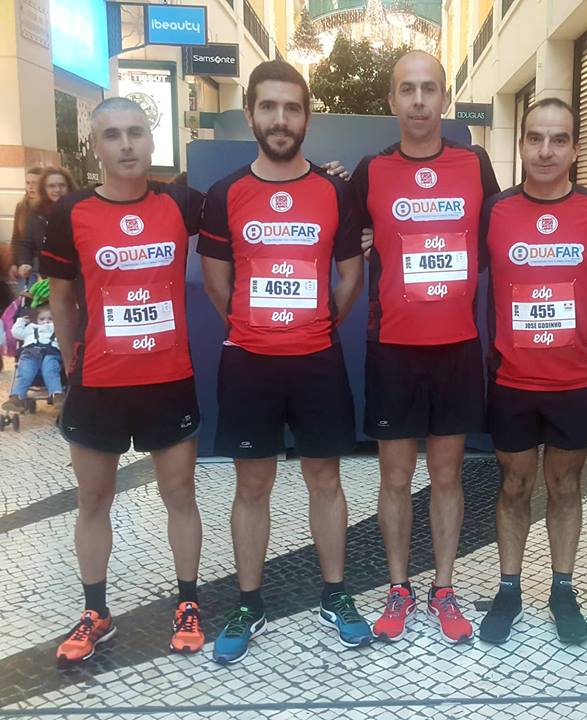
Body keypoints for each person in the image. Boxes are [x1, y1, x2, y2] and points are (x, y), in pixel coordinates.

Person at [199, 60, 369, 664]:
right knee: (252, 485)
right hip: (247, 363)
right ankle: (250, 602)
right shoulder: (225, 196)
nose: (279, 119)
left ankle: (336, 593)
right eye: (267, 107)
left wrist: (321, 322)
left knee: (326, 479)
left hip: (318, 361)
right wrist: (252, 324)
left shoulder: (333, 191)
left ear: (306, 117)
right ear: (250, 115)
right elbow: (217, 282)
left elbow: (351, 272)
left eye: (291, 108)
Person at [42, 96, 205, 664]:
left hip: (168, 379)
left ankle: (187, 602)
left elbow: (251, 215)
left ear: (152, 139)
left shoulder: (182, 202)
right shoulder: (72, 214)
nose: (127, 144)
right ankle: (95, 611)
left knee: (179, 495)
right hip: (100, 383)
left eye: (136, 131)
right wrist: (70, 361)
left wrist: (336, 187)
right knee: (93, 498)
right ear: (95, 146)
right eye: (113, 135)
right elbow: (61, 296)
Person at [352, 50, 499, 644]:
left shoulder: (474, 163)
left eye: (428, 89)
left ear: (444, 99)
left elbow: (498, 237)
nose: (418, 101)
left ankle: (443, 587)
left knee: (447, 474)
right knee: (394, 476)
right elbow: (339, 238)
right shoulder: (369, 170)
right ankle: (397, 587)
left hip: (456, 346)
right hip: (393, 347)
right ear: (391, 101)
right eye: (406, 90)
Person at [475, 98, 587, 645]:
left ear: (575, 148)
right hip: (512, 381)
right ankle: (508, 588)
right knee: (513, 486)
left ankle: (563, 588)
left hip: (575, 382)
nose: (545, 150)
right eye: (535, 138)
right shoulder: (494, 210)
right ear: (521, 145)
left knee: (565, 487)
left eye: (558, 139)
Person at [13, 167, 77, 284]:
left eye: (62, 185)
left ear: (69, 186)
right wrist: (24, 263)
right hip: (44, 273)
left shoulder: (79, 209)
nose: (57, 190)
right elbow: (25, 242)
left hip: (75, 271)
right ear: (44, 189)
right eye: (52, 186)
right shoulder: (35, 212)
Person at [2, 304, 64, 411]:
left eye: (50, 319)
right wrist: (21, 321)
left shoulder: (57, 328)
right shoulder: (31, 328)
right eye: (42, 319)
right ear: (36, 320)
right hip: (30, 352)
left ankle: (56, 394)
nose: (46, 322)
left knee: (51, 370)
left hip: (51, 353)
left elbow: (68, 333)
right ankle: (17, 397)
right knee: (25, 372)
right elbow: (16, 333)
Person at [8, 167, 42, 281]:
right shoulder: (21, 207)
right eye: (28, 183)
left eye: (35, 183)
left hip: (42, 263)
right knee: (28, 297)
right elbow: (16, 237)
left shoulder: (47, 207)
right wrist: (14, 263)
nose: (31, 187)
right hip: (25, 264)